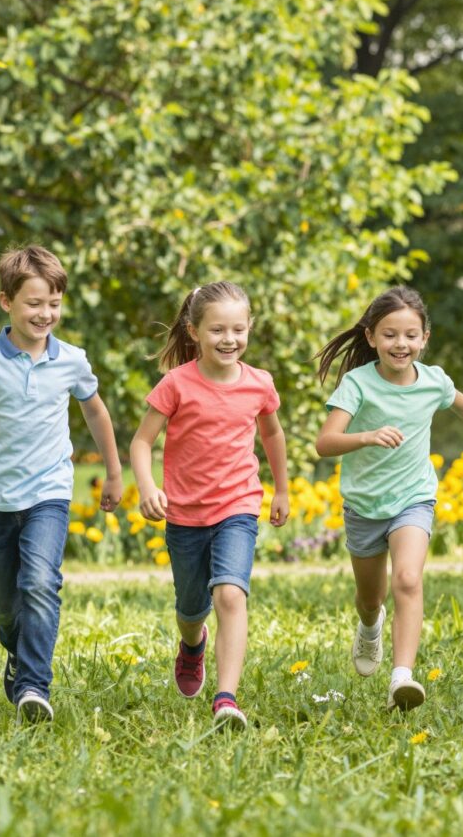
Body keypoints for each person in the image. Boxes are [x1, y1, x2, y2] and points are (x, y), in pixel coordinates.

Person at [0, 245, 122, 724]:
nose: (46, 313)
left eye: (54, 303)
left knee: (40, 583)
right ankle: (17, 652)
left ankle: (34, 686)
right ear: (6, 302)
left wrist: (114, 471)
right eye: (34, 303)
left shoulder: (72, 360)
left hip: (49, 493)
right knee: (4, 600)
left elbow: (95, 411)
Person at [314, 286, 463, 711]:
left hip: (414, 498)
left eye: (410, 335)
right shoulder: (359, 383)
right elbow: (325, 442)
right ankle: (371, 628)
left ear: (424, 337)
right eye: (389, 335)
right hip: (364, 505)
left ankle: (401, 677)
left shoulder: (434, 381)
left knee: (408, 579)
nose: (400, 344)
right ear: (370, 337)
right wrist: (367, 436)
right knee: (371, 598)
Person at [130, 281, 289, 730]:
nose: (229, 339)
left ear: (250, 329)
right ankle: (192, 645)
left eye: (238, 329)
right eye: (217, 329)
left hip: (238, 505)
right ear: (194, 330)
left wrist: (282, 489)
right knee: (190, 608)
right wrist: (146, 487)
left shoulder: (259, 383)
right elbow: (142, 442)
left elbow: (272, 435)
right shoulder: (176, 384)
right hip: (184, 513)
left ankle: (226, 698)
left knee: (230, 595)